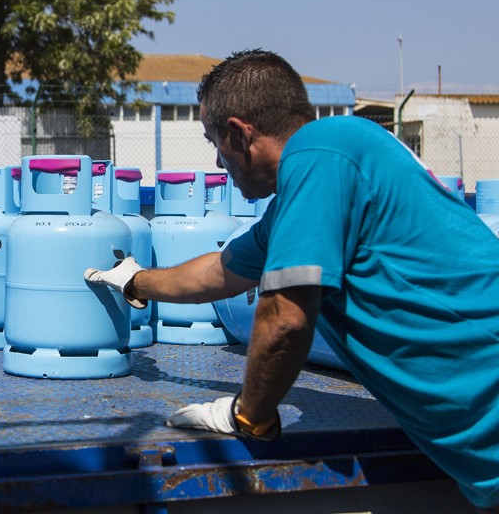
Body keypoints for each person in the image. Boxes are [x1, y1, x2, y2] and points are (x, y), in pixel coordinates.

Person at [84, 49, 499, 511]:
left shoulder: (321, 155)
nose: (219, 164)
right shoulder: (322, 170)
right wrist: (135, 281)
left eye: (214, 144)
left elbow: (284, 319)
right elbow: (217, 272)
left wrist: (248, 415)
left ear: (240, 134)